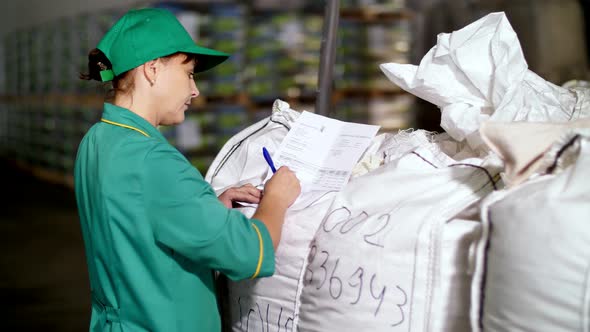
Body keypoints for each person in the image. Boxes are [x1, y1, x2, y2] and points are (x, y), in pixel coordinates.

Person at [74, 7, 301, 332]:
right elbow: (249, 254)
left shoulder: (97, 141)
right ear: (153, 69)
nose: (195, 90)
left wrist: (204, 209)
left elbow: (136, 223)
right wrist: (275, 200)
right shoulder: (154, 160)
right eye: (189, 73)